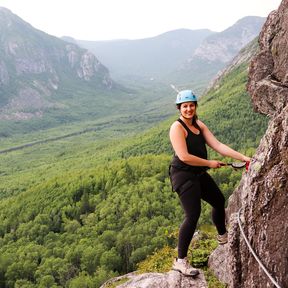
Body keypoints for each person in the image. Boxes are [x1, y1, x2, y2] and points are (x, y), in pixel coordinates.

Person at [169, 90, 250, 277]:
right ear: (179, 109)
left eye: (191, 105)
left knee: (218, 200)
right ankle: (180, 261)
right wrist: (209, 163)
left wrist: (244, 157)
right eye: (184, 106)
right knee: (192, 214)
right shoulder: (177, 127)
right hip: (183, 175)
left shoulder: (198, 124)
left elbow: (218, 145)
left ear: (195, 106)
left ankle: (223, 237)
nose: (188, 109)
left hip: (198, 173)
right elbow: (184, 156)